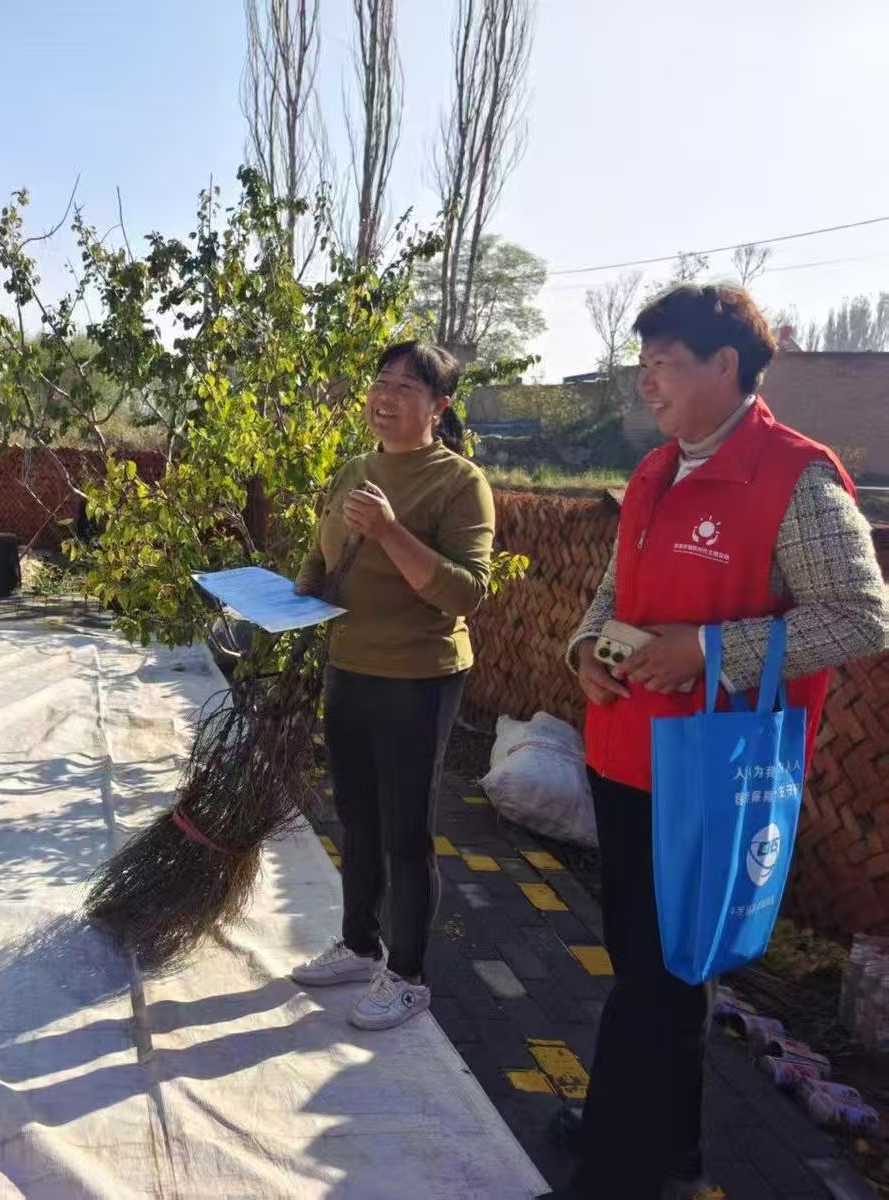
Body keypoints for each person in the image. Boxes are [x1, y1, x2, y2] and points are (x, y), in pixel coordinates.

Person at [544, 286, 888, 1200]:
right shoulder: (657, 471)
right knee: (652, 969)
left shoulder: (794, 476)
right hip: (626, 757)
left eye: (663, 363)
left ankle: (619, 1171)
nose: (646, 381)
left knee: (660, 979)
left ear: (725, 364)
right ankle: (660, 1146)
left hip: (709, 773)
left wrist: (707, 650)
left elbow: (863, 616)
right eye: (643, 364)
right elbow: (614, 591)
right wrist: (586, 648)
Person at [289, 340, 496, 1031]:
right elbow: (322, 548)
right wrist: (302, 590)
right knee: (356, 816)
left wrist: (390, 530)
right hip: (349, 665)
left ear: (438, 407)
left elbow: (465, 593)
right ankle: (358, 944)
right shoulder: (355, 468)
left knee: (406, 831)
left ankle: (407, 976)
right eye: (381, 382)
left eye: (406, 388)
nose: (385, 397)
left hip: (419, 676)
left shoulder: (459, 482)